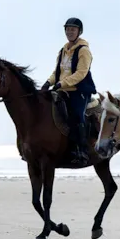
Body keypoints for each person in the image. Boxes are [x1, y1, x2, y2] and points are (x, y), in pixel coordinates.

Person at [40, 17, 96, 167]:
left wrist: (61, 83)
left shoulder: (84, 51)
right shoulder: (63, 50)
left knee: (77, 115)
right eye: (67, 29)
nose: (69, 32)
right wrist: (48, 83)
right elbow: (57, 71)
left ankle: (82, 150)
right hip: (62, 89)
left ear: (79, 31)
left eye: (73, 29)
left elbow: (81, 73)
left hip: (79, 90)